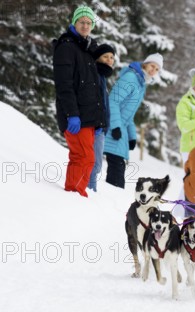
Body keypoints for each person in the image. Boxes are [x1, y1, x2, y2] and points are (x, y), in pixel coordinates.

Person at [53, 5, 106, 197]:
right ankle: (73, 193)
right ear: (74, 22)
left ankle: (77, 192)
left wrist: (99, 121)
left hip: (88, 116)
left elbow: (96, 90)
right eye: (82, 22)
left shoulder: (88, 49)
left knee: (87, 158)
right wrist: (72, 114)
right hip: (75, 115)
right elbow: (63, 85)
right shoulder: (66, 47)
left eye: (89, 22)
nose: (85, 25)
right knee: (83, 156)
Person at [103, 53, 163, 188]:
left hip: (120, 131)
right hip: (113, 128)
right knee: (116, 175)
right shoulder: (131, 78)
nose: (154, 70)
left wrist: (132, 136)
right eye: (152, 66)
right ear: (146, 64)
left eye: (157, 69)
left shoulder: (141, 84)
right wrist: (116, 127)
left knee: (118, 172)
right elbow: (112, 102)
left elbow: (129, 115)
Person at [87, 44, 116, 192]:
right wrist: (98, 124)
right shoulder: (95, 74)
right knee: (94, 164)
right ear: (97, 58)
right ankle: (89, 191)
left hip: (101, 127)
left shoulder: (103, 76)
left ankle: (90, 190)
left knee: (96, 164)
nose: (109, 60)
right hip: (95, 126)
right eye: (105, 56)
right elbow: (94, 102)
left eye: (111, 57)